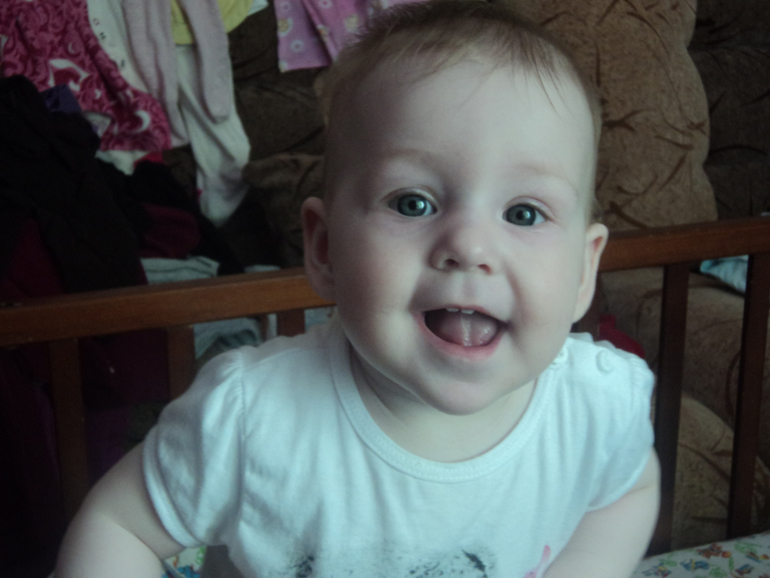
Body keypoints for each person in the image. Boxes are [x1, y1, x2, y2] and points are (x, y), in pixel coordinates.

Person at [55, 1, 660, 576]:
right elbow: (122, 525)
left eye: (524, 213)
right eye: (413, 202)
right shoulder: (249, 420)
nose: (470, 246)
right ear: (324, 249)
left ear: (584, 272)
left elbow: (628, 490)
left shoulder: (595, 406)